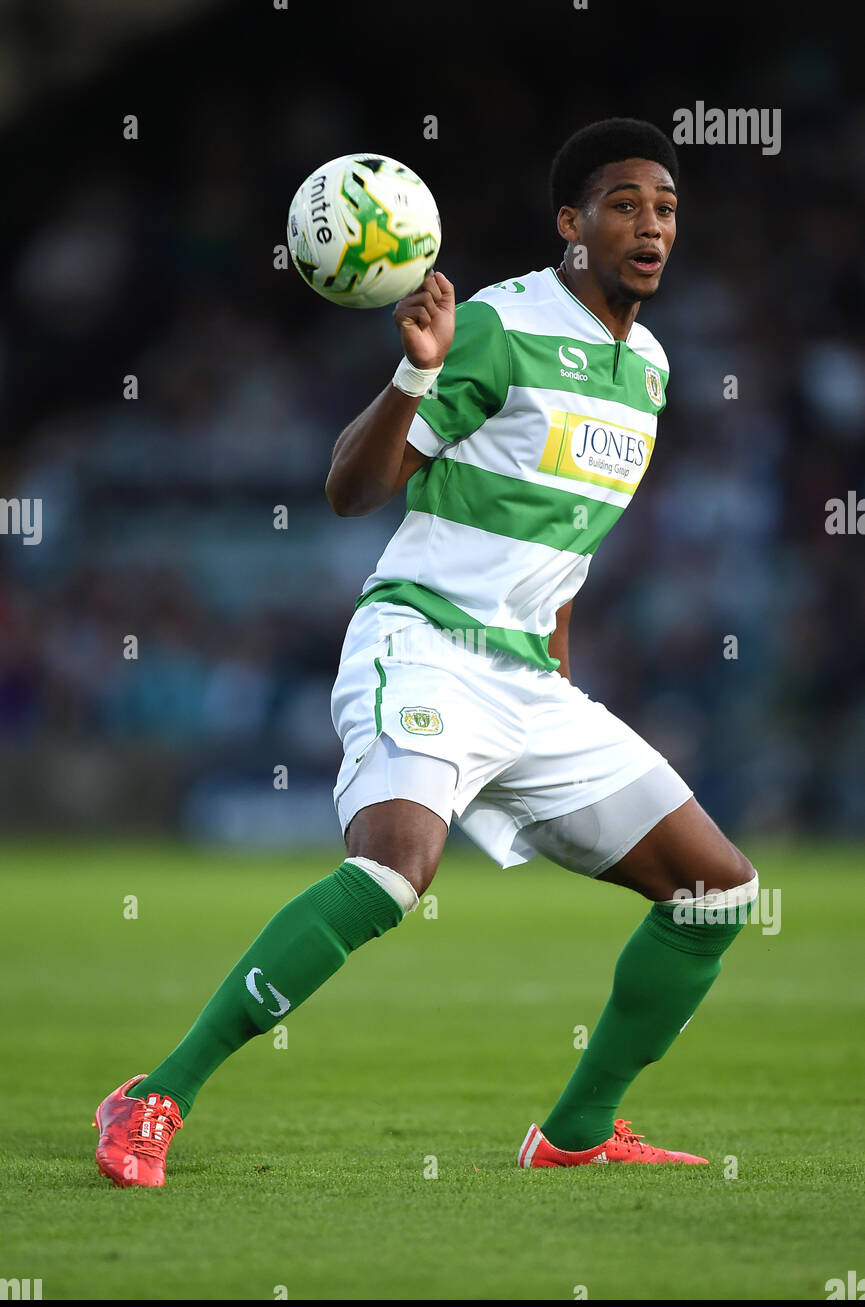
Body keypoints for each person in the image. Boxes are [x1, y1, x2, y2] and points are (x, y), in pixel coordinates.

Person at [93, 117, 757, 1186]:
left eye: (666, 208)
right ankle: (153, 1093)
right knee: (393, 870)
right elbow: (351, 492)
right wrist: (413, 376)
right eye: (625, 204)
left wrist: (556, 671)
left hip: (528, 680)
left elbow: (566, 548)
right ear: (570, 226)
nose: (650, 226)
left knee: (718, 892)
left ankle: (576, 1133)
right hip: (426, 643)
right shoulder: (498, 323)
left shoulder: (651, 371)